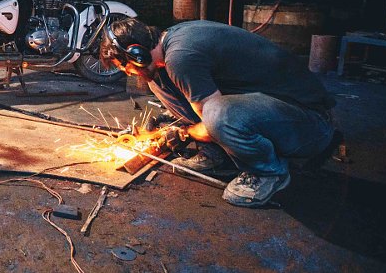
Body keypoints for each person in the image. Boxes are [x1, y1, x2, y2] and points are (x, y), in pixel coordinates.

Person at [101, 18, 338, 208]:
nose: (128, 73)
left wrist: (184, 134)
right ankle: (218, 153)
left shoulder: (181, 57)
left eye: (125, 66)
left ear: (137, 54)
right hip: (276, 111)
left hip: (310, 123)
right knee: (156, 80)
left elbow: (210, 120)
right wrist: (175, 126)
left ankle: (267, 173)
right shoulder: (171, 44)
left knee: (217, 114)